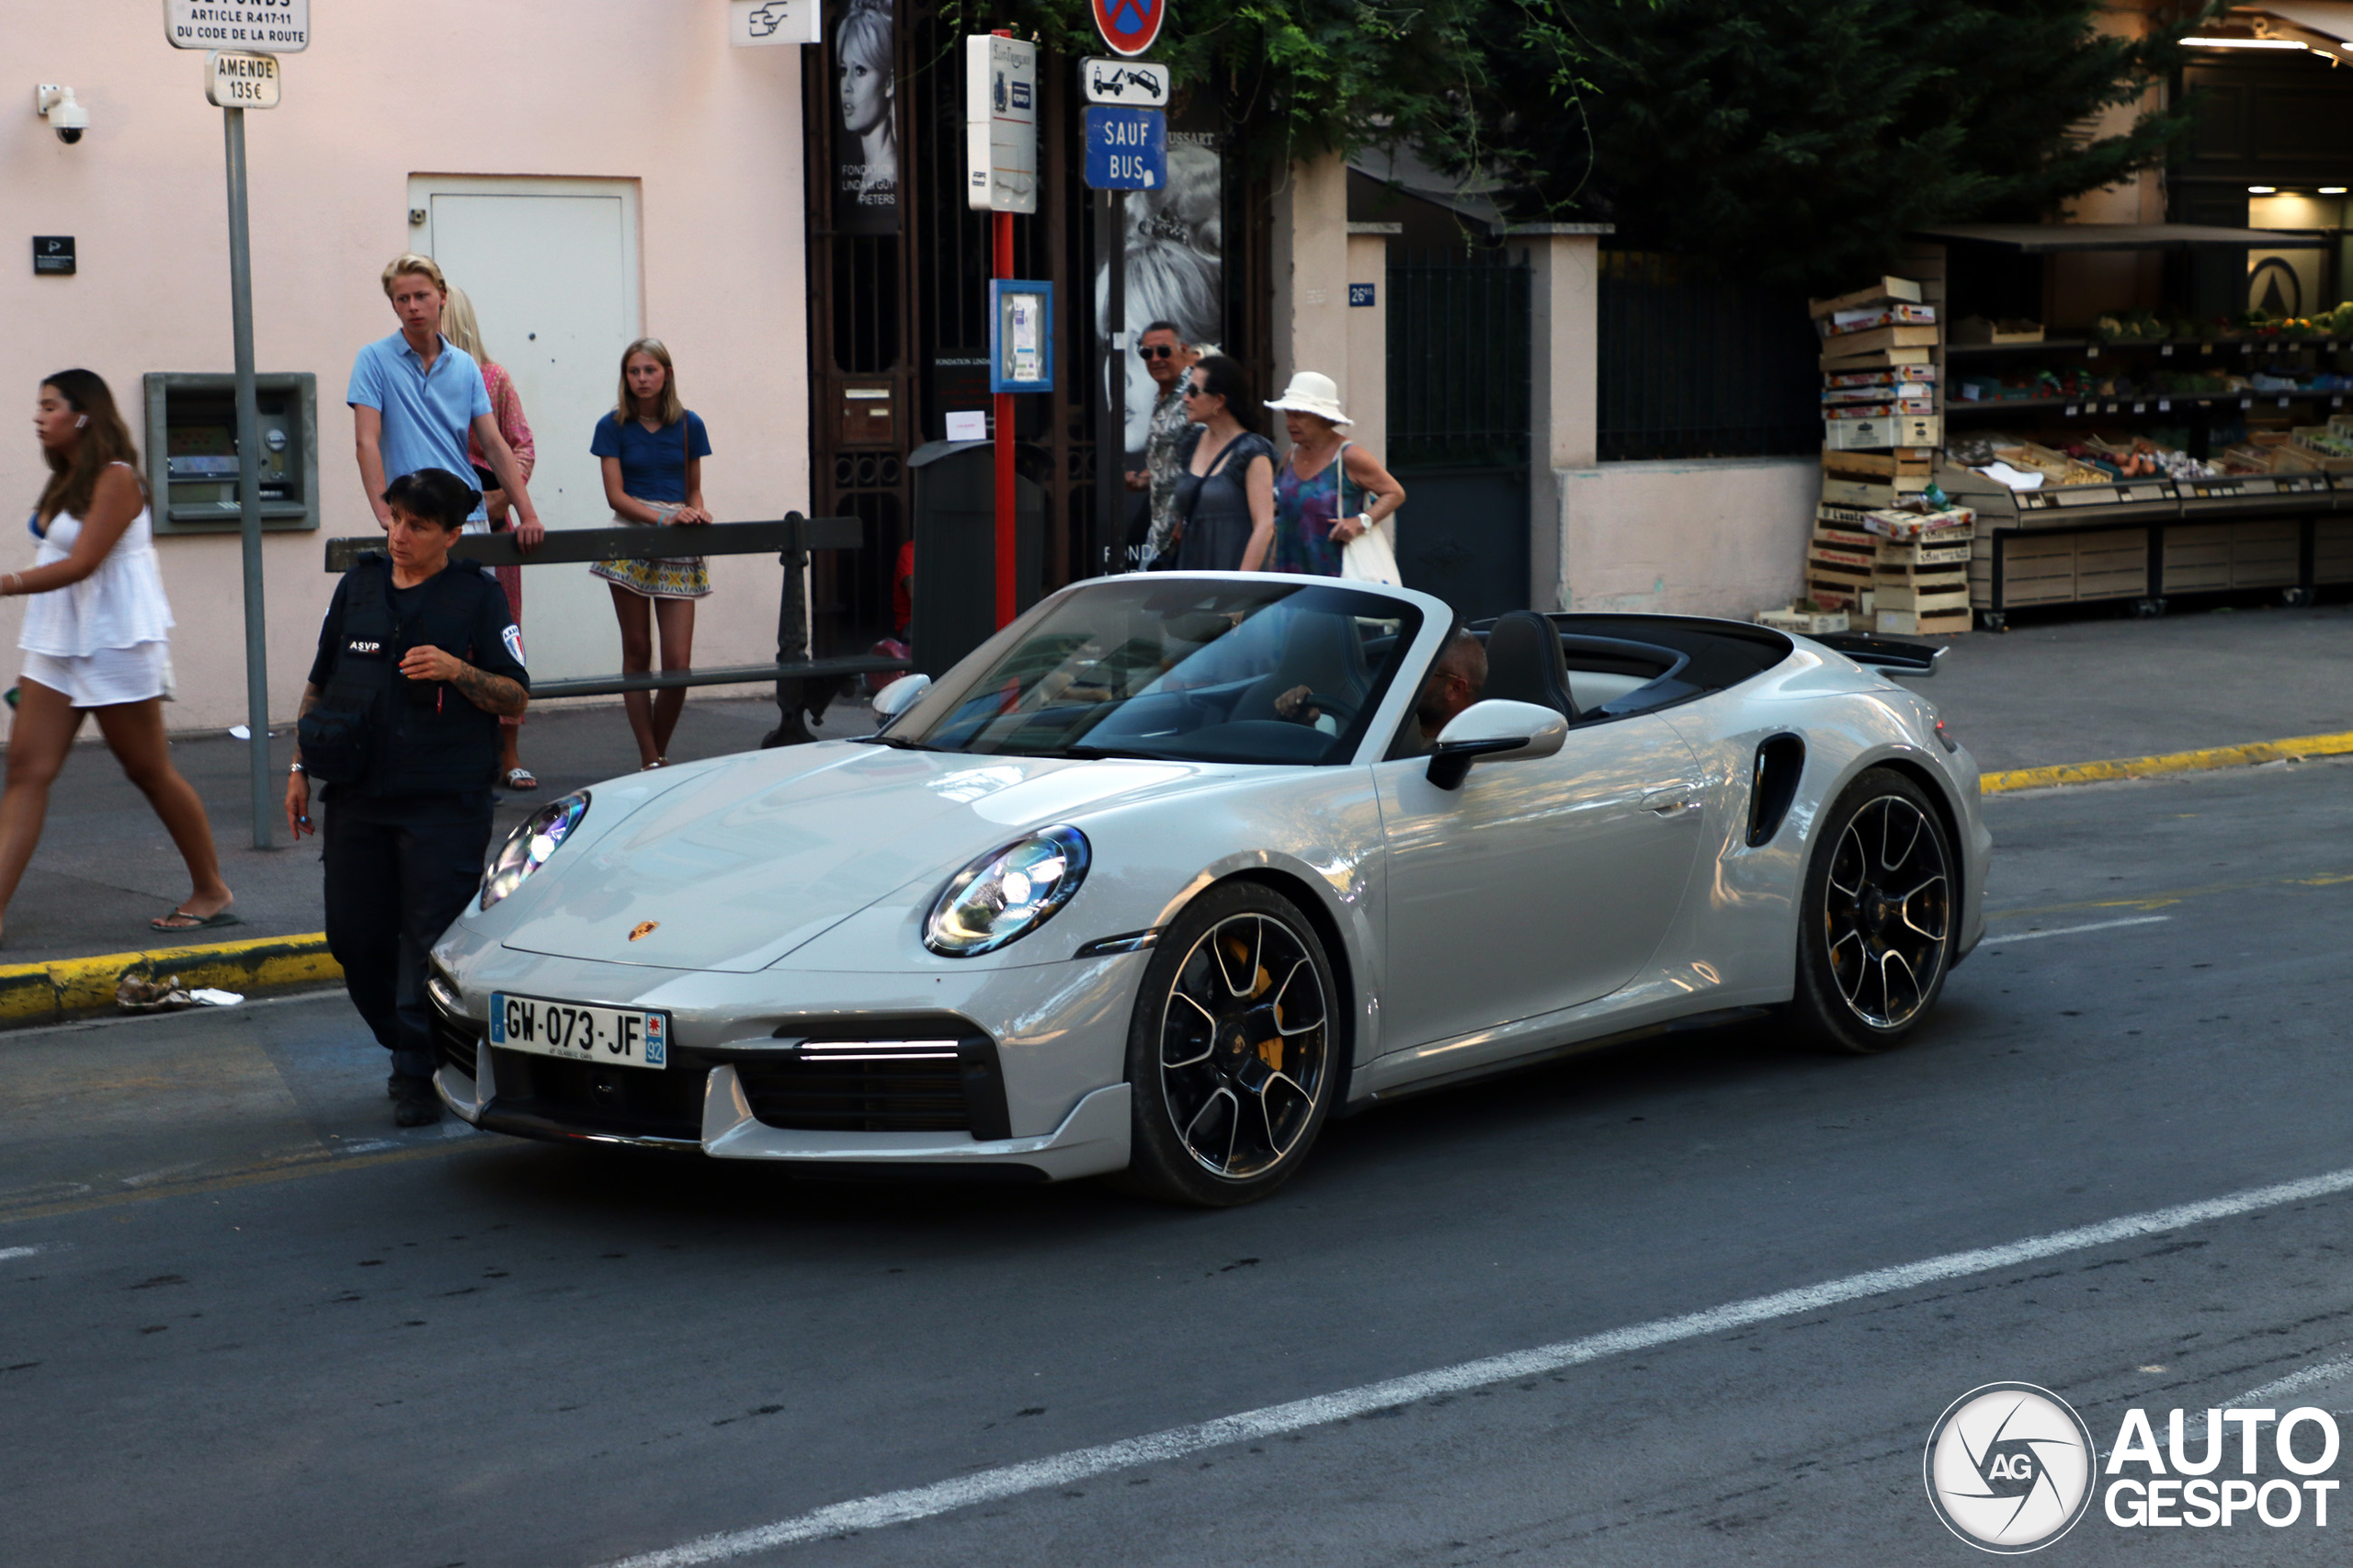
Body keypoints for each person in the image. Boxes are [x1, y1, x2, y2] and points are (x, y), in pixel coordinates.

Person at [288, 468, 529, 1129]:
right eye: (394, 518)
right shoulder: (359, 586)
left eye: (417, 525)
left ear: (452, 534)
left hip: (443, 800)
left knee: (426, 942)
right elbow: (321, 683)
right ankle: (406, 1041)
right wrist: (298, 767)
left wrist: (458, 669)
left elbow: (516, 694)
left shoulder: (476, 598)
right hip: (359, 795)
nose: (399, 534)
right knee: (354, 937)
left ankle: (416, 1073)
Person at [0, 370, 234, 944]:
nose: (38, 415)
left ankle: (211, 889)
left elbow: (83, 563)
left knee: (148, 769)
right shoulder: (68, 479)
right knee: (27, 770)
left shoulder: (118, 479)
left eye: (49, 405)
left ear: (83, 415)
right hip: (58, 638)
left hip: (114, 639)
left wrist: (4, 582)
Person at [347, 254, 545, 548]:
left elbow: (494, 444)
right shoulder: (373, 359)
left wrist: (528, 515)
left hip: (469, 517)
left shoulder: (466, 365)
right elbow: (366, 441)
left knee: (474, 595)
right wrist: (385, 514)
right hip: (411, 518)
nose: (412, 306)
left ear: (442, 297)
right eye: (402, 299)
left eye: (421, 296)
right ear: (393, 304)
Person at [591, 338, 713, 769]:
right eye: (634, 372)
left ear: (667, 373)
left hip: (679, 537)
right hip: (632, 535)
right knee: (638, 651)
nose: (642, 379)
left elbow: (693, 483)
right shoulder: (612, 425)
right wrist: (661, 520)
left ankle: (656, 756)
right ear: (625, 378)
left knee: (678, 664)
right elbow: (615, 496)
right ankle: (650, 756)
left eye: (650, 371)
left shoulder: (689, 424)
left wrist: (696, 508)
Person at [439, 284, 540, 791]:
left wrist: (505, 498)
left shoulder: (493, 377)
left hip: (494, 521)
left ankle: (509, 754)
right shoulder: (421, 379)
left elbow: (520, 445)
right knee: (449, 633)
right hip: (444, 518)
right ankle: (460, 750)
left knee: (502, 632)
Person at [1265, 370, 1407, 577]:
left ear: (1323, 418)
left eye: (1299, 415)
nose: (1290, 422)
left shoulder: (1350, 456)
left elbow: (1395, 493)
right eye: (1288, 414)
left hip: (1334, 576)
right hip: (1289, 571)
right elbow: (1283, 513)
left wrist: (1360, 522)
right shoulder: (1291, 456)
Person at [1169, 356, 1277, 573]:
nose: (1185, 399)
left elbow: (1265, 527)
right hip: (1192, 574)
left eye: (1193, 391)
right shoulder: (1192, 442)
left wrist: (1238, 587)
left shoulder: (1252, 451)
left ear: (1219, 400)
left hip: (1231, 575)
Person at [1122, 322, 1195, 566]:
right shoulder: (1161, 395)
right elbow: (1171, 464)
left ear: (1183, 350)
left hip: (1188, 535)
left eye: (1163, 351)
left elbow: (1207, 465)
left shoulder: (1194, 395)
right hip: (1161, 535)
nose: (1155, 359)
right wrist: (1144, 479)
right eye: (1146, 353)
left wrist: (1186, 520)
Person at [836, 0, 897, 203]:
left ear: (889, 83)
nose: (847, 86)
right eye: (844, 70)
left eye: (860, 71)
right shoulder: (862, 172)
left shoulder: (890, 181)